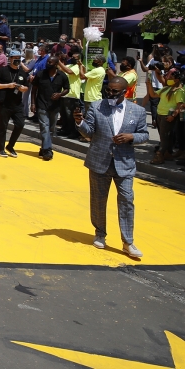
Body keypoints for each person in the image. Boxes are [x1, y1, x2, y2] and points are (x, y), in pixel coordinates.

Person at [73, 77, 148, 259]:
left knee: (127, 200)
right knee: (98, 200)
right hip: (100, 161)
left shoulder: (138, 111)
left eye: (115, 92)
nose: (111, 94)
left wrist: (131, 137)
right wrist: (79, 123)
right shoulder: (97, 106)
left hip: (124, 163)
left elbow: (144, 134)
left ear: (125, 92)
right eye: (109, 91)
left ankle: (128, 242)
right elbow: (89, 133)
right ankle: (100, 233)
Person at [0, 49, 30, 158]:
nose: (17, 60)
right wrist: (8, 85)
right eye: (15, 58)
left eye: (18, 58)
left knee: (20, 124)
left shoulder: (22, 73)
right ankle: (1, 148)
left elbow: (26, 86)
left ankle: (11, 145)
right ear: (10, 59)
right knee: (3, 126)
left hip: (17, 104)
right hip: (4, 103)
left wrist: (23, 88)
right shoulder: (2, 71)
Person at [30, 56, 70, 161]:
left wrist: (60, 94)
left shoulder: (62, 76)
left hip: (55, 106)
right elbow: (34, 90)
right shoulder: (40, 74)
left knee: (51, 129)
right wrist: (33, 103)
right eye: (48, 61)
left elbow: (67, 89)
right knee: (44, 127)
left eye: (51, 62)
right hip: (42, 104)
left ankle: (43, 147)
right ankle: (48, 150)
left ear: (56, 64)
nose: (48, 63)